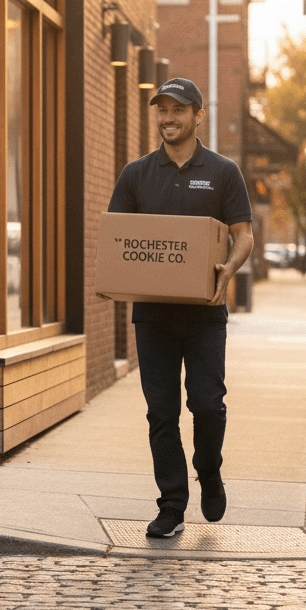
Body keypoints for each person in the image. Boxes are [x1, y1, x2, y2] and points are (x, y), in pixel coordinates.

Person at [107, 77, 253, 538]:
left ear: (198, 116)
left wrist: (227, 270)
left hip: (205, 313)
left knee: (208, 406)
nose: (168, 118)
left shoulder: (223, 171)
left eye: (178, 110)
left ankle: (208, 471)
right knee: (161, 413)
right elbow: (118, 240)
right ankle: (171, 504)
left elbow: (243, 234)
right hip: (153, 316)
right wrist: (110, 277)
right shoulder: (136, 174)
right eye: (162, 110)